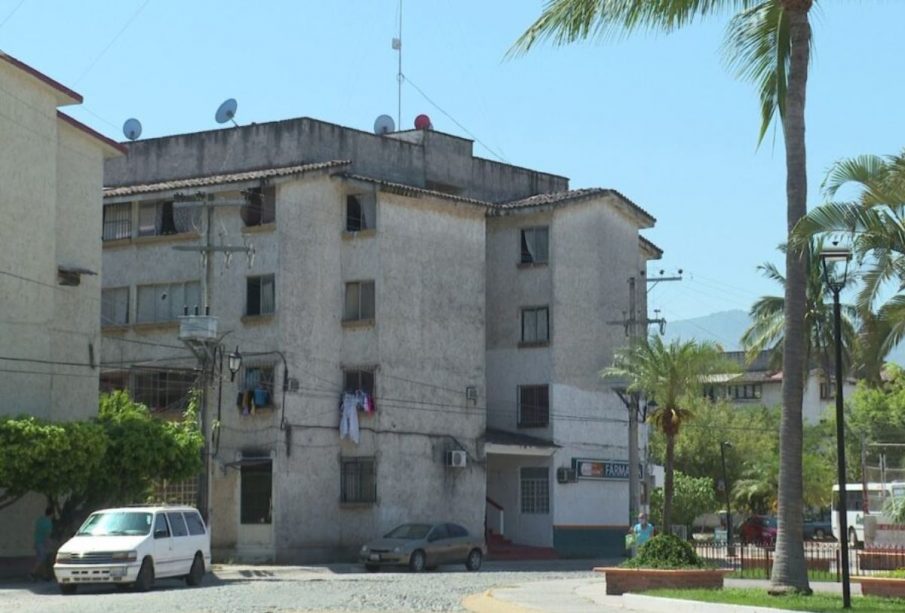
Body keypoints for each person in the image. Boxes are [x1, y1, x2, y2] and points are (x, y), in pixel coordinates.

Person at [30, 506, 53, 580]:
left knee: (41, 559)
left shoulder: (40, 520)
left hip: (37, 541)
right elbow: (47, 535)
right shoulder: (49, 523)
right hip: (42, 543)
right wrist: (50, 544)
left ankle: (44, 575)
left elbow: (37, 531)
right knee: (42, 558)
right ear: (51, 514)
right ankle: (32, 573)